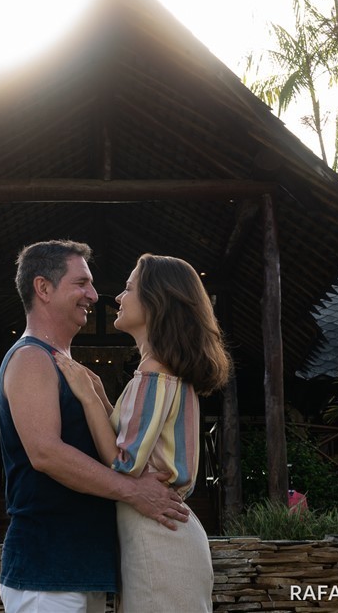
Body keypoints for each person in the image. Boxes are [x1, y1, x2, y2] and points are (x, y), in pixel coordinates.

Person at [0, 240, 190, 613]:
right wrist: (135, 492)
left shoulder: (68, 365)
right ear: (44, 288)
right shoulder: (31, 358)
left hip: (83, 571)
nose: (94, 294)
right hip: (47, 573)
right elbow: (46, 453)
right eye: (81, 283)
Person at [54, 253, 232, 613]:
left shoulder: (154, 376)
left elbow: (126, 464)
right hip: (161, 535)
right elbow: (131, 444)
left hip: (158, 540)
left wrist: (89, 398)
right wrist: (103, 395)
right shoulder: (160, 374)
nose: (118, 297)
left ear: (156, 302)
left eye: (129, 288)